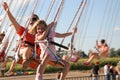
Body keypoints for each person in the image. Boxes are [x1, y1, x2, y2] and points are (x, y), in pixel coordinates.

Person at [2, 2, 39, 76]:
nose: (31, 20)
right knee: (27, 49)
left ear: (37, 22)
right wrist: (8, 11)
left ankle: (28, 63)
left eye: (34, 19)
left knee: (30, 50)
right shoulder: (24, 31)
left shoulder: (39, 34)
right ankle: (25, 61)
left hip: (33, 53)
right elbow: (14, 21)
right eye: (30, 19)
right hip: (22, 51)